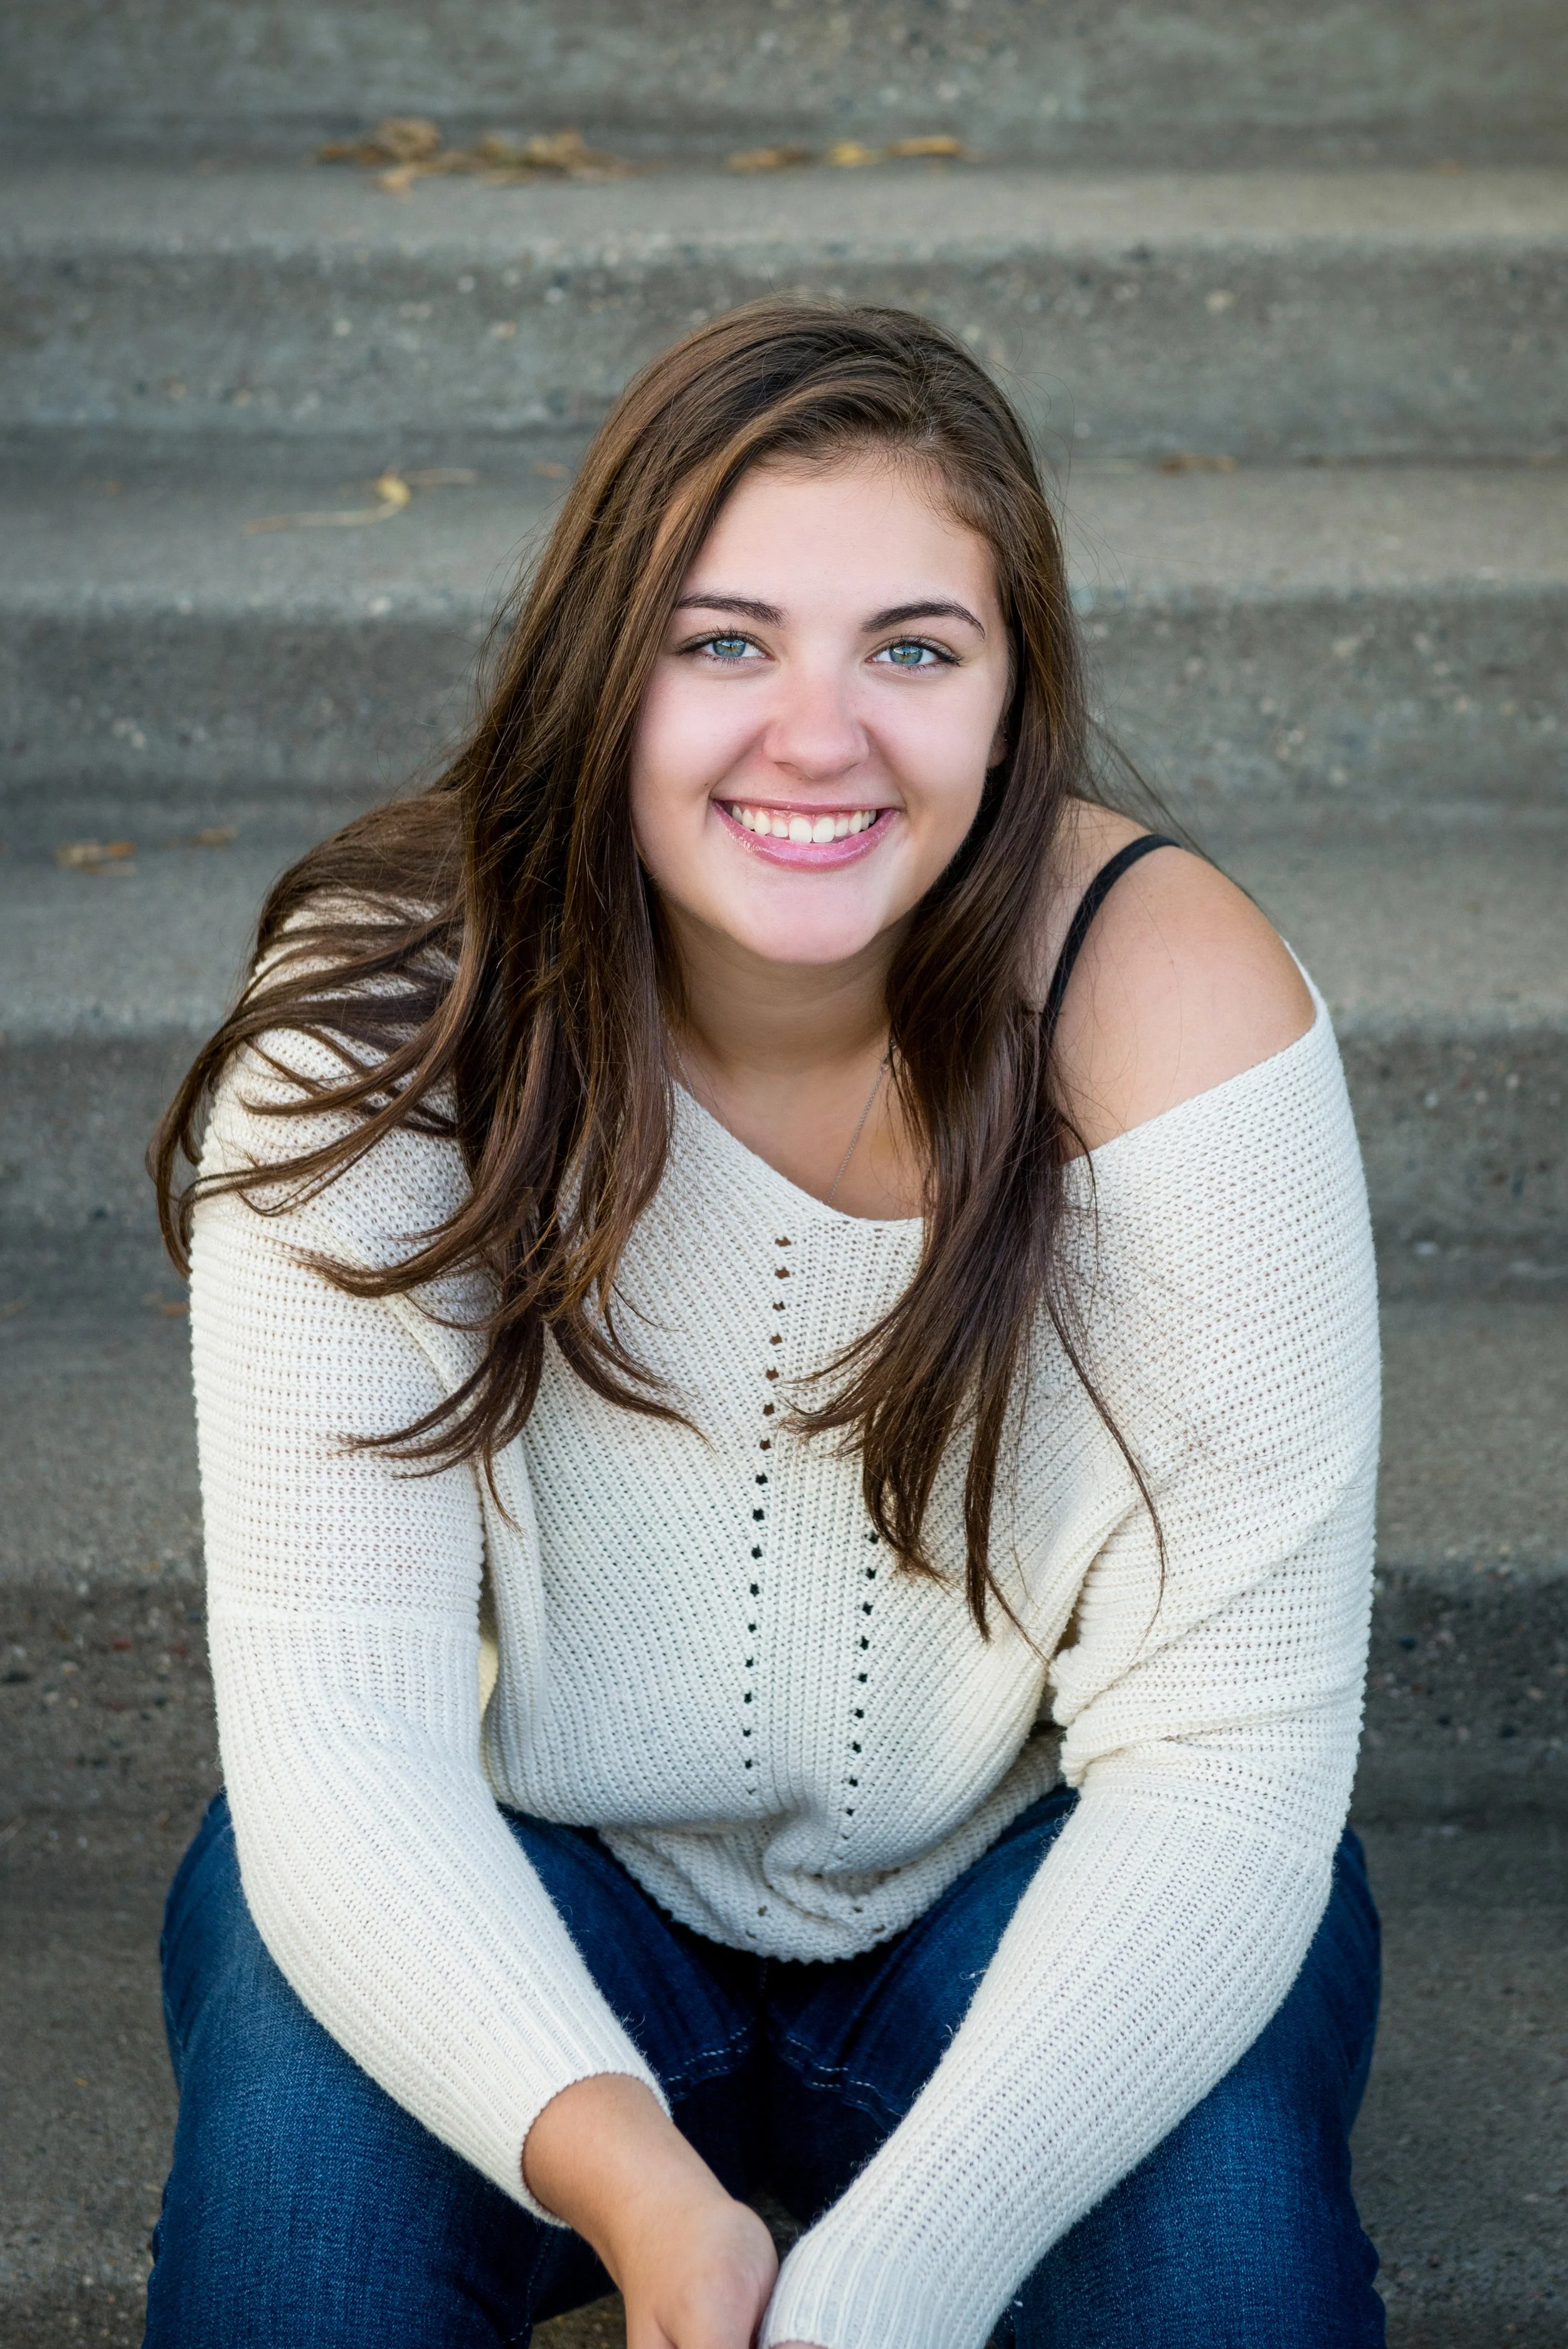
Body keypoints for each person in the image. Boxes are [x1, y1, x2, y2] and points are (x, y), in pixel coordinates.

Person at [147, 300, 1384, 2349]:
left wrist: (878, 2292)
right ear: (596, 676)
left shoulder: (1169, 1003)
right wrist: (654, 2205)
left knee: (1230, 2286)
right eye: (721, 643)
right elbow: (343, 1743)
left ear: (1009, 699)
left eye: (912, 647)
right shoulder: (382, 1022)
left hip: (1044, 1879)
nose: (818, 737)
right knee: (296, 2260)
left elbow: (1224, 1771)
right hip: (518, 1864)